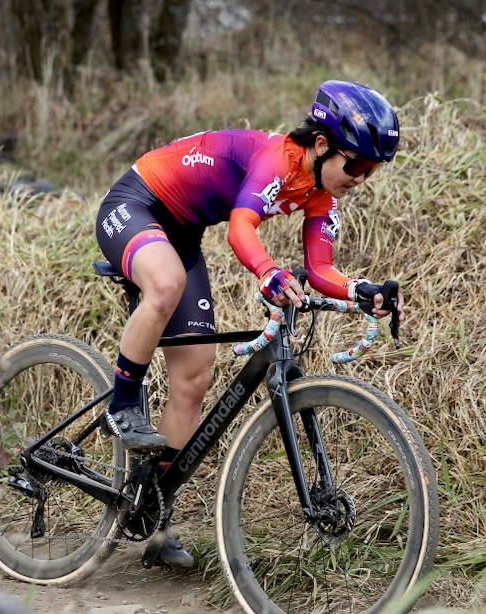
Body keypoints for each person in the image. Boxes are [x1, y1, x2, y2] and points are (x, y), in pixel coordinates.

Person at [94, 79, 405, 568]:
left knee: (194, 378)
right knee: (167, 283)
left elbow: (321, 269)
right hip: (134, 204)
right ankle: (123, 402)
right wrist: (267, 271)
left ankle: (151, 516)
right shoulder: (276, 159)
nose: (361, 178)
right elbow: (242, 226)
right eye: (357, 164)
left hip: (182, 231)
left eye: (372, 170)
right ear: (321, 145)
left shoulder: (320, 193)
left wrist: (360, 291)